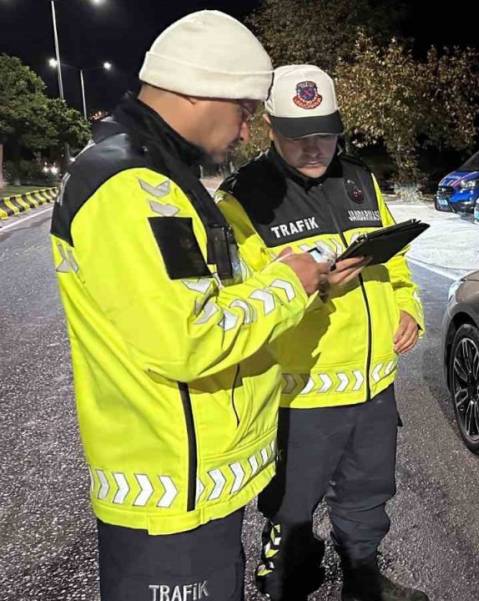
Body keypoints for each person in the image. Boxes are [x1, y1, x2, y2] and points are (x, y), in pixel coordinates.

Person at [49, 11, 329, 601]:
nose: (247, 132)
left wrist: (276, 274)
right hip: (171, 494)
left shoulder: (159, 174)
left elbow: (202, 291)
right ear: (203, 90)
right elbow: (188, 336)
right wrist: (289, 287)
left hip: (191, 483)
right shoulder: (130, 185)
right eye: (246, 111)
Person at [215, 65, 427, 601]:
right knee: (291, 505)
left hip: (374, 385)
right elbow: (238, 303)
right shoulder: (244, 200)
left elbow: (394, 265)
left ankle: (362, 581)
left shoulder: (360, 180)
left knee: (368, 493)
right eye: (297, 138)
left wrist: (407, 307)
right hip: (300, 394)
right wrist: (314, 286)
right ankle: (285, 581)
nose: (315, 150)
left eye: (326, 135)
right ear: (269, 128)